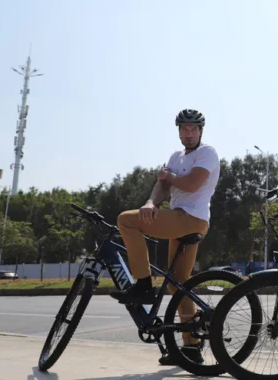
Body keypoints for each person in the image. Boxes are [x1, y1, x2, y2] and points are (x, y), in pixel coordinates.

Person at [109, 108, 220, 364]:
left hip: (191, 218)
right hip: (179, 219)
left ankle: (143, 284)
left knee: (126, 221)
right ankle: (191, 350)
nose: (189, 133)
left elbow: (191, 184)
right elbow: (162, 184)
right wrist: (150, 203)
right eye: (184, 129)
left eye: (194, 129)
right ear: (179, 131)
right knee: (179, 284)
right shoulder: (175, 156)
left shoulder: (207, 153)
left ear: (201, 132)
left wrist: (168, 176)